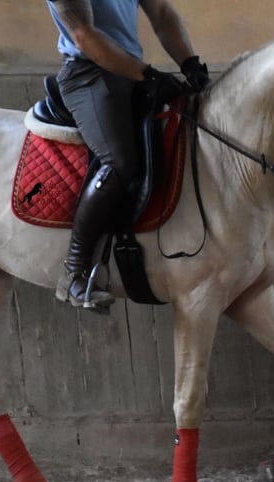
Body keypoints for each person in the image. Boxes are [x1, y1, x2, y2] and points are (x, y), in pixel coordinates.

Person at [47, 0, 210, 309]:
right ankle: (73, 272)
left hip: (129, 72)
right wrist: (148, 75)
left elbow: (161, 13)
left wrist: (190, 63)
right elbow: (84, 35)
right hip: (89, 75)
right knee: (119, 162)